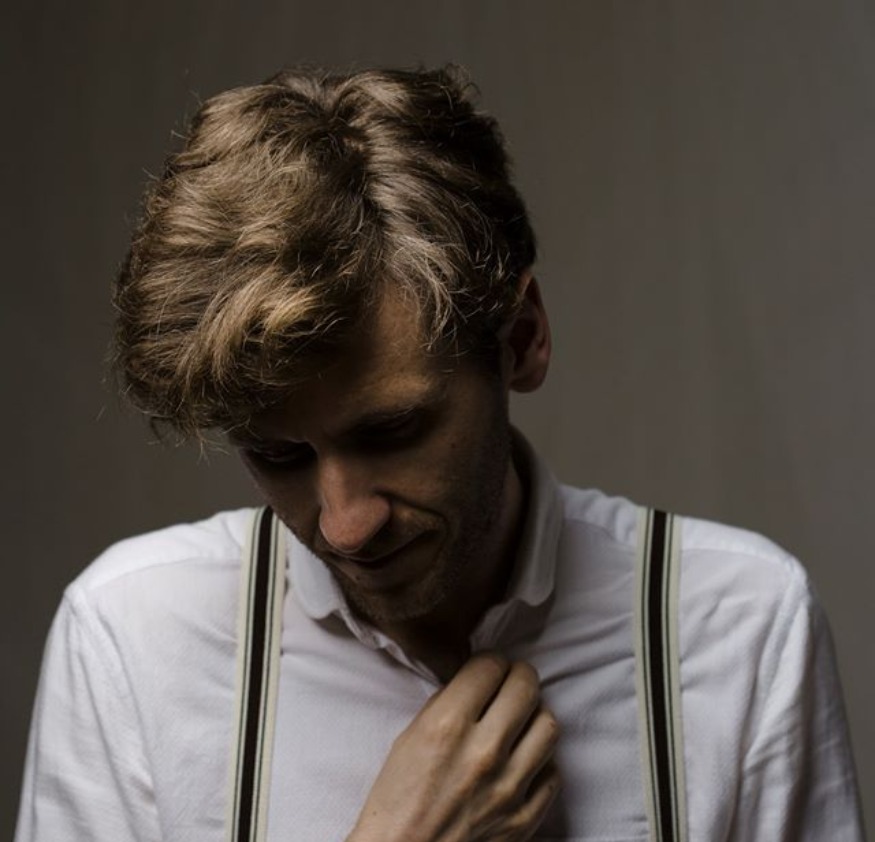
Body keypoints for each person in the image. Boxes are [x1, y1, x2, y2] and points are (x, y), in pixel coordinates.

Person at [15, 66, 864, 841]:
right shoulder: (132, 638)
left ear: (520, 339)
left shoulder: (740, 627)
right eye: (277, 455)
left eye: (391, 431)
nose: (345, 525)